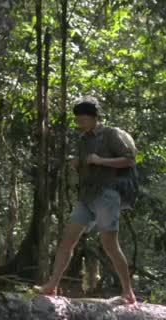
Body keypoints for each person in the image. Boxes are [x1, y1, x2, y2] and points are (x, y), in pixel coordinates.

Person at [35, 96, 137, 304]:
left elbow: (129, 160)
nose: (79, 123)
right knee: (67, 241)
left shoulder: (110, 135)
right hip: (86, 198)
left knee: (110, 245)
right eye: (77, 120)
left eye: (82, 119)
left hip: (107, 195)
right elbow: (88, 165)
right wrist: (78, 164)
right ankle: (52, 285)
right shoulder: (83, 140)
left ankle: (128, 292)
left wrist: (101, 161)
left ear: (93, 117)